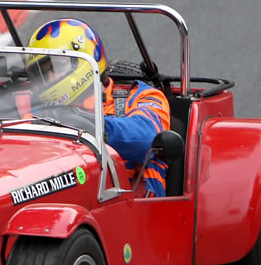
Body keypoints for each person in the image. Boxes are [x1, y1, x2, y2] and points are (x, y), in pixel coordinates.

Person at [25, 18, 172, 197]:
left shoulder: (143, 97)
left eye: (54, 68)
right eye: (40, 74)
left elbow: (147, 138)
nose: (48, 80)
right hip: (64, 203)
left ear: (84, 58)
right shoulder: (39, 113)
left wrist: (85, 125)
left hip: (131, 213)